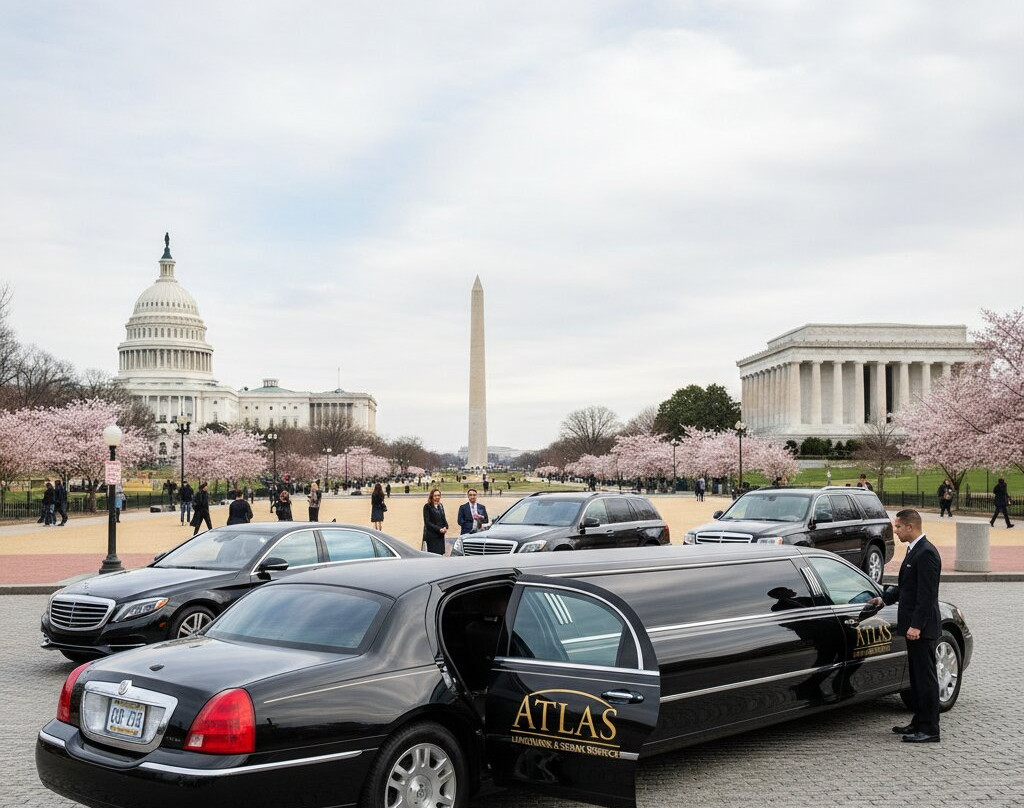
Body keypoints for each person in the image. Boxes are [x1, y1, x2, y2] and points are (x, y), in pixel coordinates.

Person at [868, 509, 941, 743]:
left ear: (910, 527)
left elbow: (927, 596)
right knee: (917, 679)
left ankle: (930, 729)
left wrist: (917, 626)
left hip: (922, 630)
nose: (895, 531)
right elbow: (907, 588)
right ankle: (918, 722)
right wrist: (884, 599)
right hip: (913, 628)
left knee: (926, 679)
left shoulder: (927, 553)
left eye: (898, 527)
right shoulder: (914, 551)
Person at [422, 488, 448, 555]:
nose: (437, 497)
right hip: (432, 536)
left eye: (439, 495)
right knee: (433, 555)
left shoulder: (440, 506)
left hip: (440, 536)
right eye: (435, 495)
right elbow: (427, 522)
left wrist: (446, 527)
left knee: (441, 555)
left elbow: (443, 519)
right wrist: (439, 529)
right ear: (432, 496)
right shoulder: (427, 506)